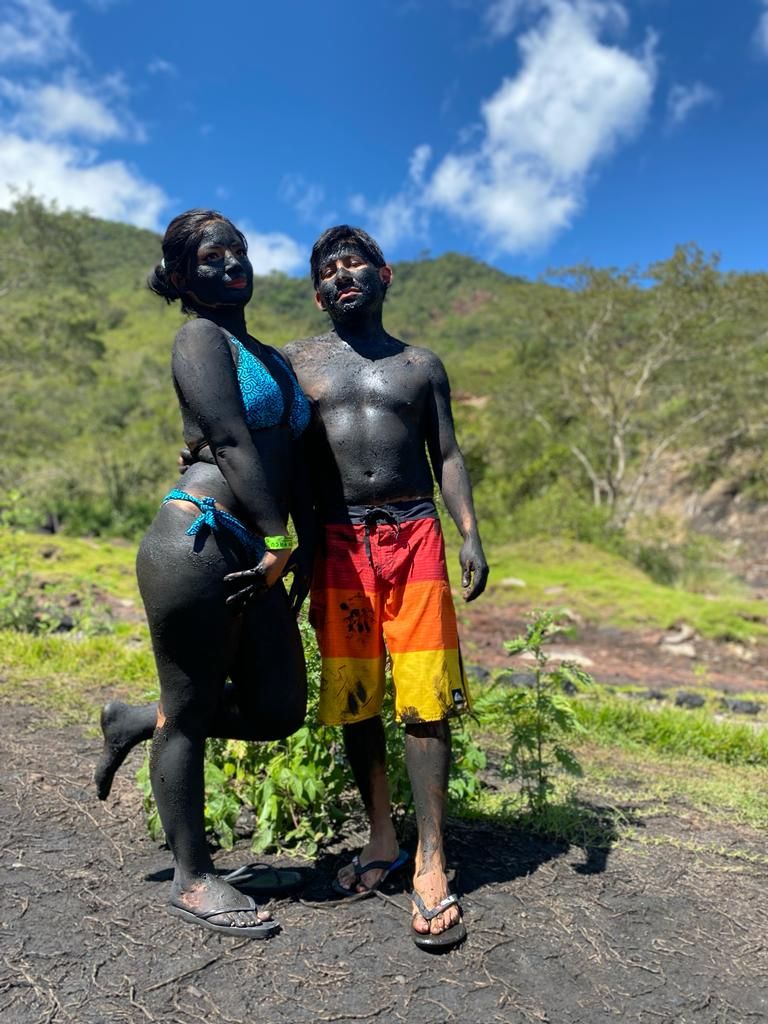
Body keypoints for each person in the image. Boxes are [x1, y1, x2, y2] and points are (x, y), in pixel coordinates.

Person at [94, 209, 312, 938]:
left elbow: (293, 454)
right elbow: (227, 436)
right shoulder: (199, 338)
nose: (232, 264)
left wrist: (301, 547)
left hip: (262, 549)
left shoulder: (269, 354)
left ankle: (135, 720)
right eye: (213, 258)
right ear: (183, 278)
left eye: (238, 251)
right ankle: (191, 877)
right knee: (188, 712)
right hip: (200, 538)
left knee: (278, 709)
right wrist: (279, 537)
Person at [282, 225, 488, 951]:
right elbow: (265, 442)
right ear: (318, 294)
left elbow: (448, 455)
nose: (342, 275)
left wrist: (469, 531)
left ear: (384, 274)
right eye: (329, 270)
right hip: (338, 541)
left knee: (426, 694)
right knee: (355, 694)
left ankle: (432, 858)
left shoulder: (420, 366)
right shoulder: (296, 363)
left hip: (415, 533)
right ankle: (381, 838)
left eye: (355, 263)